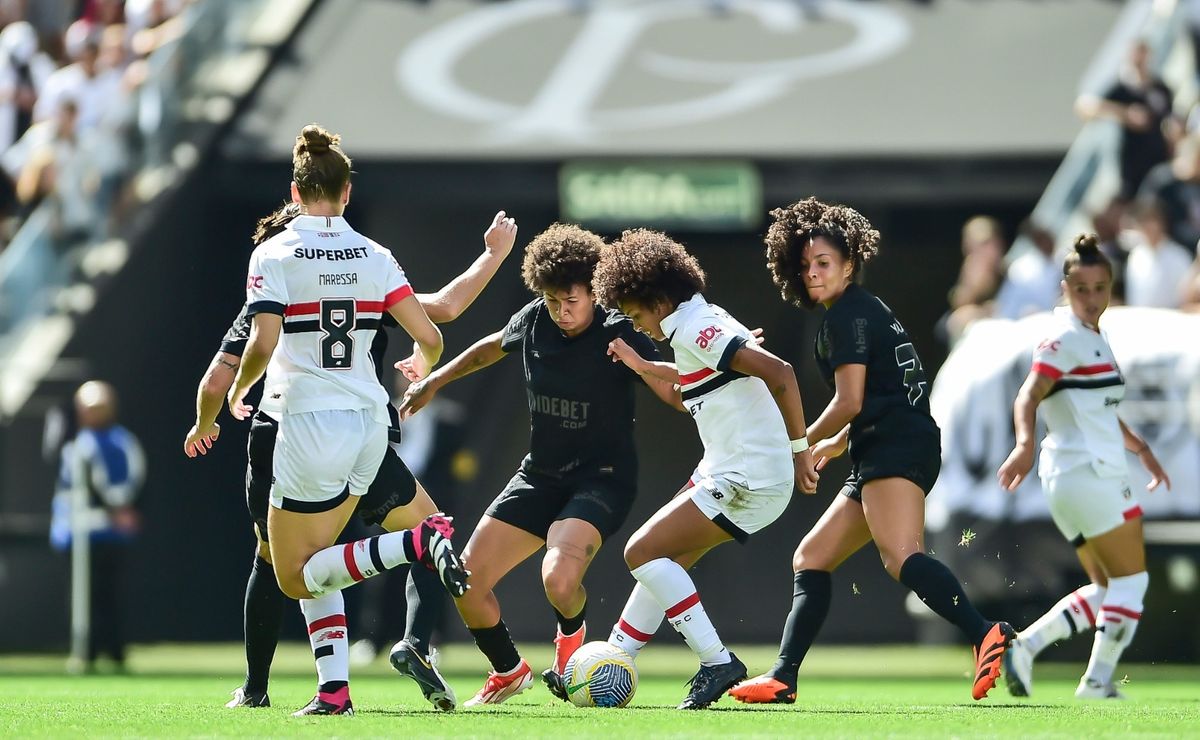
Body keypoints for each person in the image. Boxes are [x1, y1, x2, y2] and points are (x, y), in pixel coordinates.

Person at [184, 203, 517, 711]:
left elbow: (217, 378)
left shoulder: (267, 299)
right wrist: (492, 257)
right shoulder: (361, 279)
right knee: (423, 528)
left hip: (289, 434)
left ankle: (262, 688)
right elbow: (444, 310)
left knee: (284, 565)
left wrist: (205, 422)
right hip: (363, 430)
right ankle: (410, 644)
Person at [222, 124, 468, 717]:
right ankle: (334, 692)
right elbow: (430, 333)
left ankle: (416, 541)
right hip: (368, 422)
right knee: (321, 556)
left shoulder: (275, 251)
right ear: (347, 192)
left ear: (295, 189)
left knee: (295, 576)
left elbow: (261, 342)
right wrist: (423, 363)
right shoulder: (376, 255)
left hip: (305, 420)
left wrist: (237, 388)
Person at [730, 197, 1013, 705]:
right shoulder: (861, 309)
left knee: (901, 555)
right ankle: (783, 677)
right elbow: (875, 396)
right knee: (811, 557)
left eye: (824, 264)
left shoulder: (846, 318)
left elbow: (850, 399)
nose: (814, 274)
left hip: (896, 447)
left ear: (849, 265)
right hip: (888, 443)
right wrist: (837, 442)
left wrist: (800, 443)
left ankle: (983, 631)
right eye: (806, 266)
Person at [397, 223, 682, 706]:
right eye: (553, 301)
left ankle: (570, 650)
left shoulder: (619, 330)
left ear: (594, 291)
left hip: (602, 479)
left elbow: (673, 391)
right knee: (465, 582)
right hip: (540, 475)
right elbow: (488, 348)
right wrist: (435, 381)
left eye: (571, 300)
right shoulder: (534, 320)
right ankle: (508, 671)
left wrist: (656, 368)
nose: (562, 311)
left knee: (558, 579)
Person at [581, 228, 819, 710]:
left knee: (641, 552)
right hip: (734, 469)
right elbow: (683, 388)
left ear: (658, 299)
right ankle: (613, 658)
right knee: (667, 563)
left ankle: (716, 661)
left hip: (747, 475)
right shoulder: (689, 323)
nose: (637, 324)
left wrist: (800, 450)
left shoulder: (694, 326)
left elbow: (782, 373)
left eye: (635, 314)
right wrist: (639, 362)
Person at [997, 234, 1170, 700]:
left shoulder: (1094, 336)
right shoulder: (1064, 338)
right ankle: (1095, 683)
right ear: (1065, 288)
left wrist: (1141, 449)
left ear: (1110, 286)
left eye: (1099, 288)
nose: (1091, 299)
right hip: (1090, 472)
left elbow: (1100, 410)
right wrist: (1024, 443)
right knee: (1133, 583)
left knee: (1108, 586)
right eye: (1081, 289)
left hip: (1076, 475)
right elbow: (1028, 395)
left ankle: (1025, 646)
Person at [50, 380, 145, 672]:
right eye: (88, 407)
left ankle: (114, 653)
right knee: (80, 597)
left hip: (108, 534)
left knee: (108, 595)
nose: (93, 413)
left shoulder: (122, 441)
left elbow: (132, 479)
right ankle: (85, 652)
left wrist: (117, 509)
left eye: (99, 407)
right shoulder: (74, 442)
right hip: (74, 533)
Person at [1076, 40, 1176, 200]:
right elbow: (1085, 106)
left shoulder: (1160, 88)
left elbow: (1169, 118)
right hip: (1131, 165)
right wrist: (1125, 114)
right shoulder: (1120, 89)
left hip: (1158, 159)